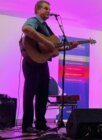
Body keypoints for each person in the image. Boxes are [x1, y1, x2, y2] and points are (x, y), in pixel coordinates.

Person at [21, 0, 78, 133]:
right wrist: (46, 41)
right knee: (30, 93)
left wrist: (70, 47)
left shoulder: (46, 27)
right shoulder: (34, 20)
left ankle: (41, 124)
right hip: (31, 61)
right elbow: (26, 29)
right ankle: (27, 125)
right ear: (38, 10)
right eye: (45, 8)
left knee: (42, 94)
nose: (48, 11)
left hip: (42, 62)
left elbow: (53, 49)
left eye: (49, 9)